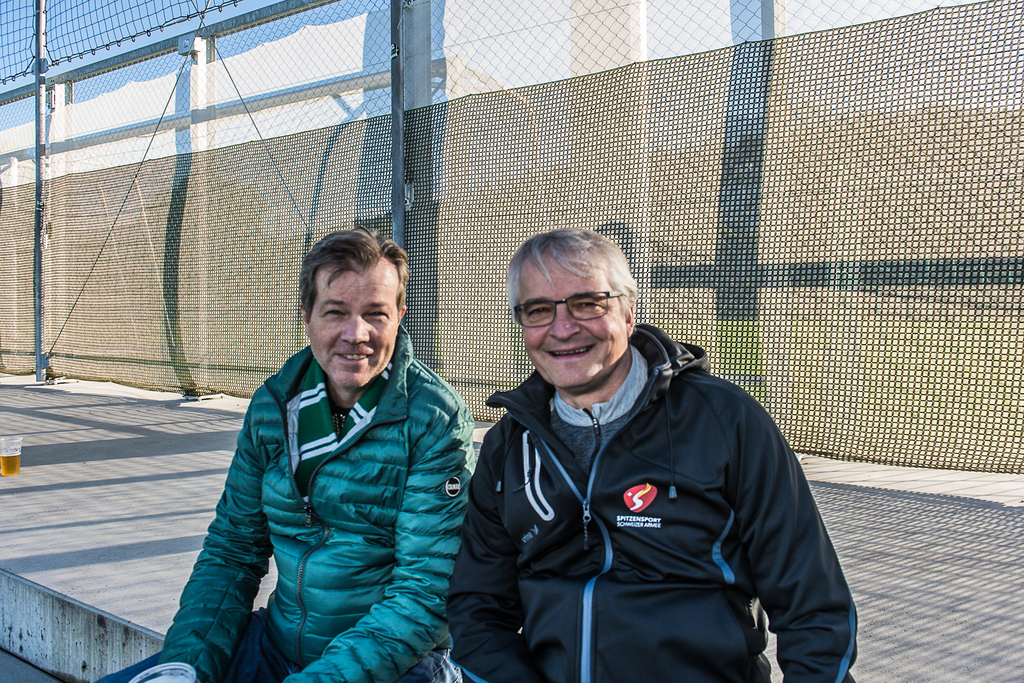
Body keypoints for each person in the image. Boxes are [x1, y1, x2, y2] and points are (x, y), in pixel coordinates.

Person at [446, 228, 857, 683]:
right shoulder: (509, 445)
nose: (563, 328)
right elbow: (478, 608)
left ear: (627, 313)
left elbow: (813, 605)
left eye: (588, 303)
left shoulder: (723, 419)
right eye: (539, 310)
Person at [98, 228, 475, 683]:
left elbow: (425, 592)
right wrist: (186, 665)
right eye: (336, 312)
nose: (356, 334)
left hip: (397, 664)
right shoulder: (273, 406)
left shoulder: (433, 419)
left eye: (376, 314)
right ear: (306, 315)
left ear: (400, 316)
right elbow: (233, 550)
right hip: (276, 647)